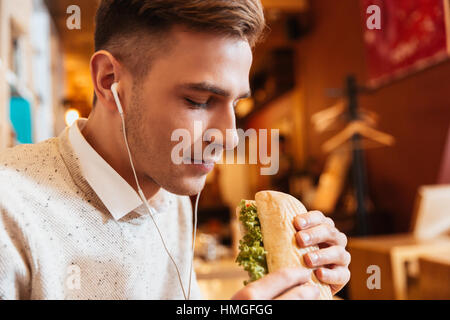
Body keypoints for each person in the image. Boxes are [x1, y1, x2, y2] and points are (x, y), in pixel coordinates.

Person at [0, 0, 350, 300]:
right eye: (198, 100)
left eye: (236, 104)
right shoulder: (10, 214)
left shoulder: (172, 195)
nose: (228, 138)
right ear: (109, 82)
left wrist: (300, 280)